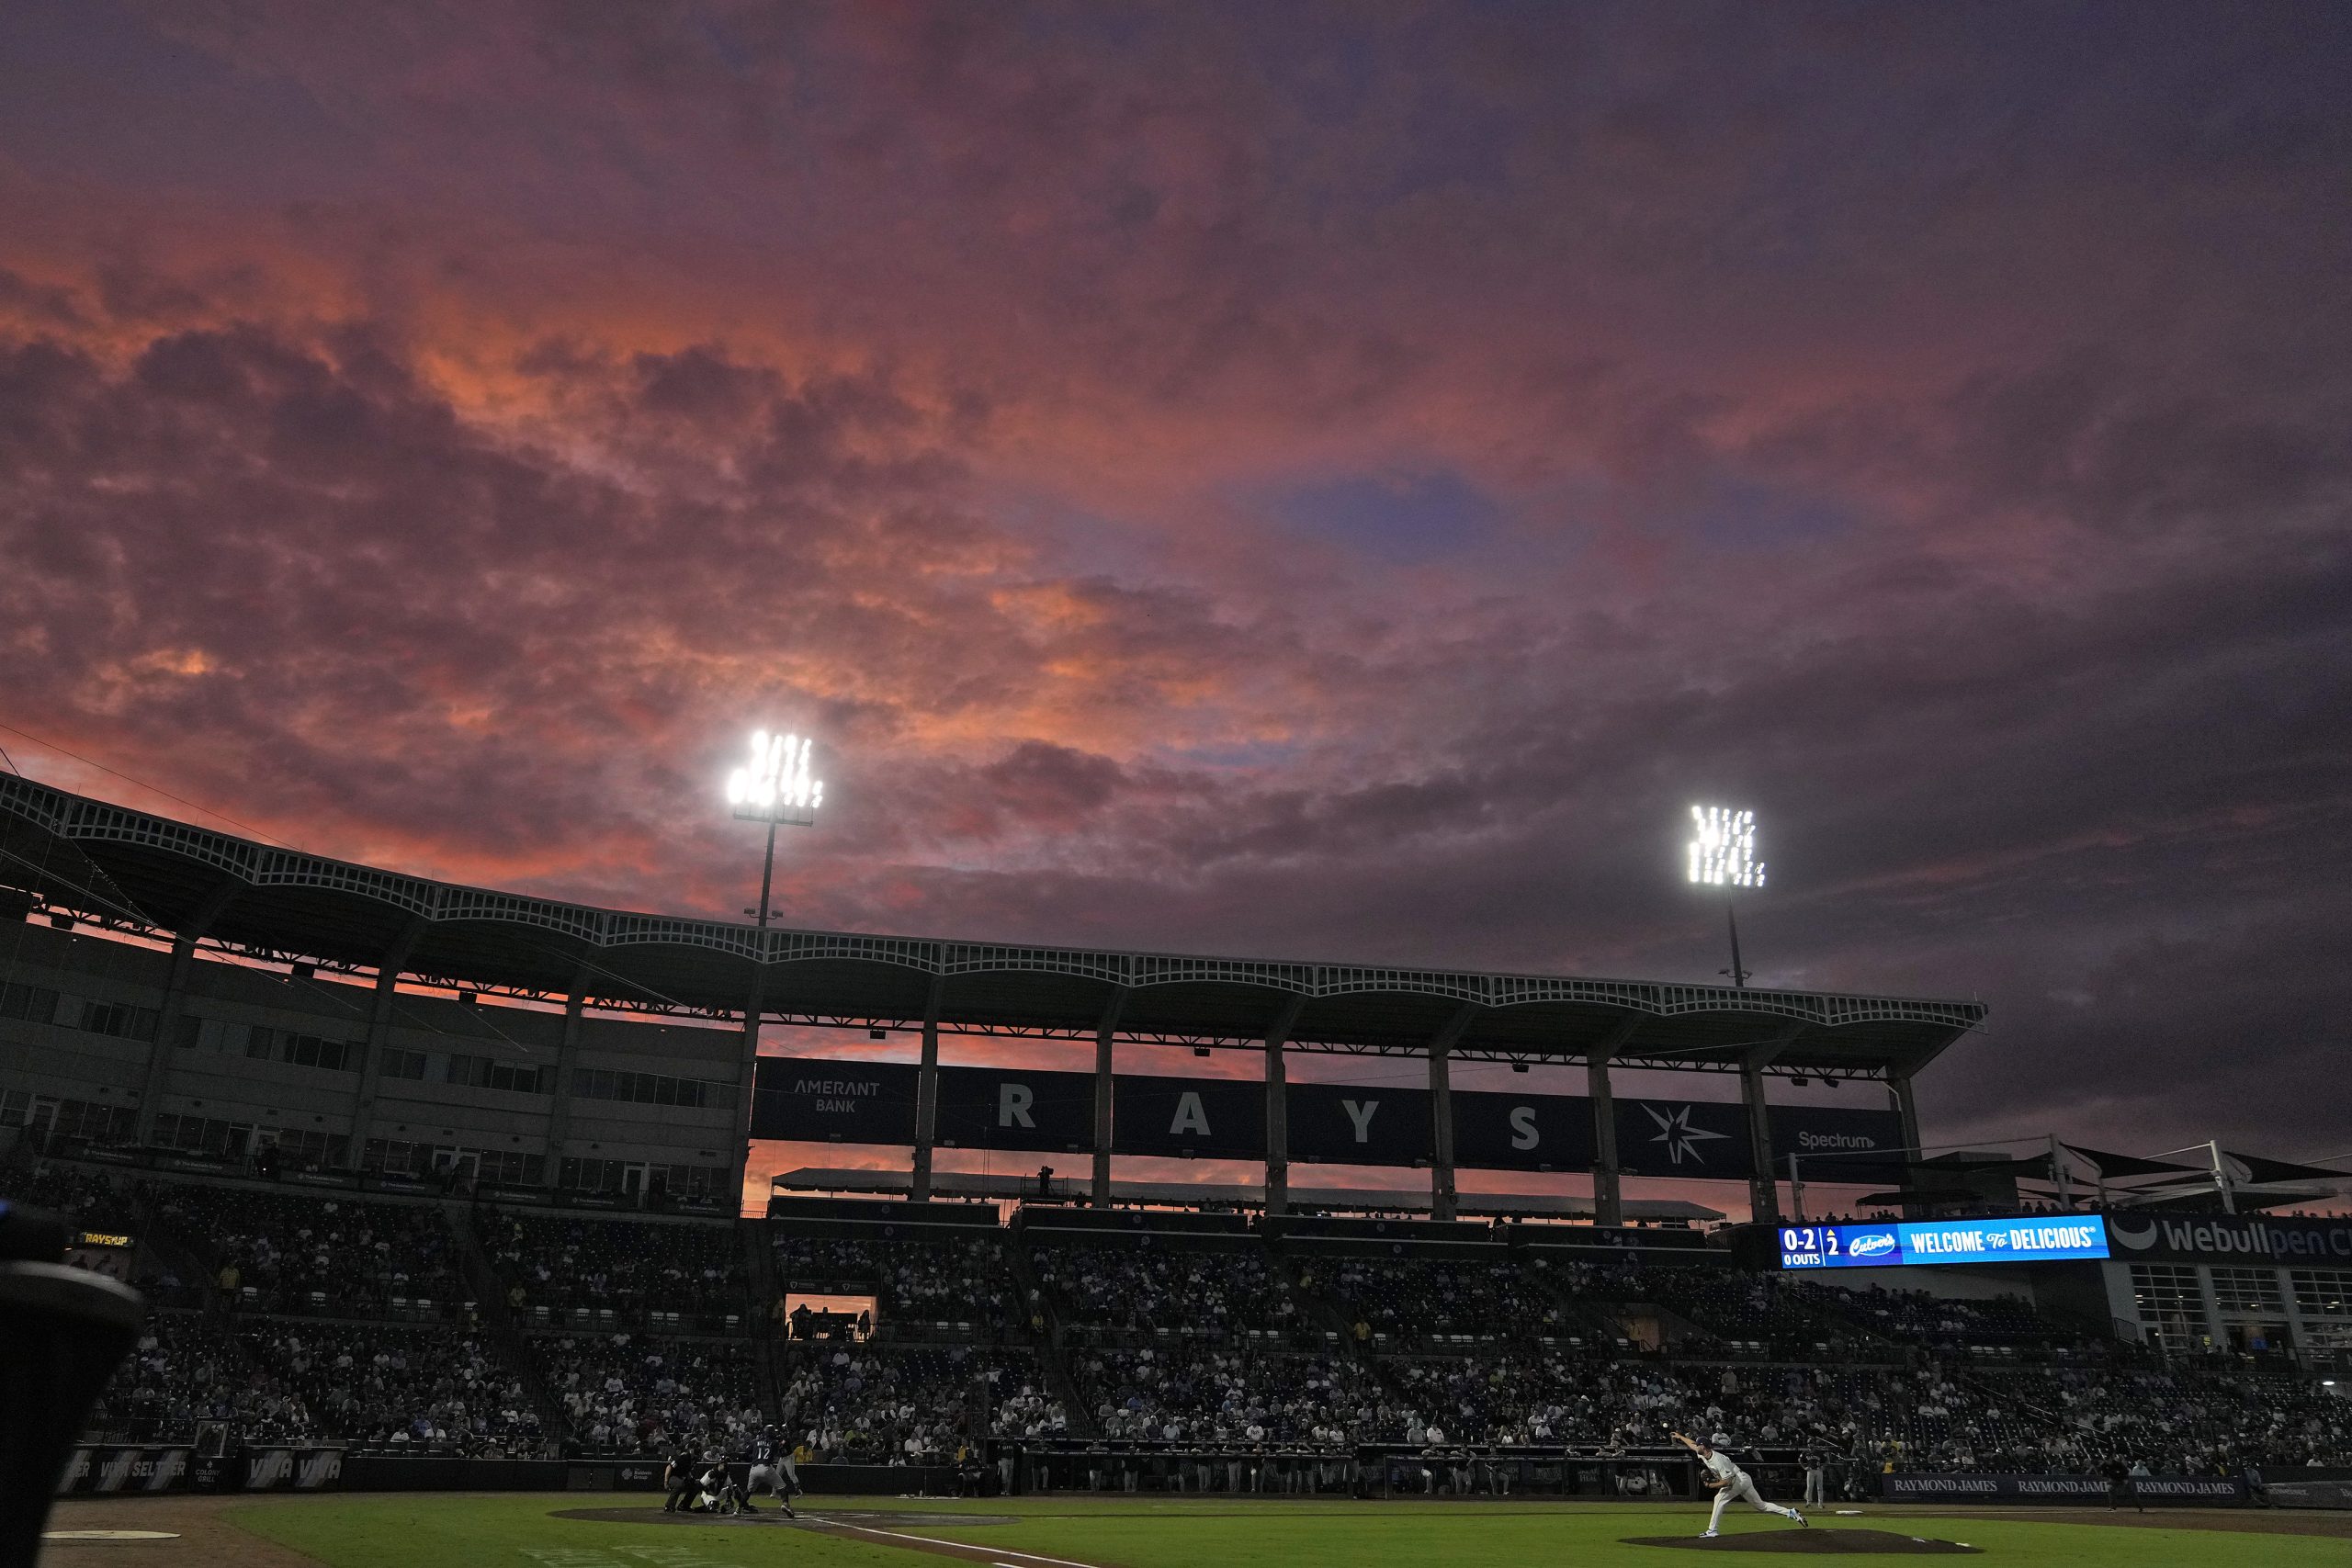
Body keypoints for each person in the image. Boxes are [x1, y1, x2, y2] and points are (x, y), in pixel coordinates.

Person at [1672, 1431, 1804, 1539]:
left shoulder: (1718, 1460)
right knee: (1761, 1506)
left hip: (1738, 1480)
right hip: (1743, 1479)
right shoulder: (1703, 1454)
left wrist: (1710, 1486)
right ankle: (1790, 1512)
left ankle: (1712, 1530)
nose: (1696, 1446)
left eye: (1698, 1445)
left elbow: (1728, 1482)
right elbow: (1692, 1444)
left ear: (1704, 1447)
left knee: (1718, 1499)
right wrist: (1680, 1437)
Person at [746, 1427, 797, 1517]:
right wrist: (783, 1440)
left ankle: (739, 1509)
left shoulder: (755, 1441)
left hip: (754, 1468)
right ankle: (785, 1504)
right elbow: (780, 1451)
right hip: (766, 1467)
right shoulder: (774, 1443)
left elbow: (747, 1452)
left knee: (748, 1491)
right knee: (783, 1487)